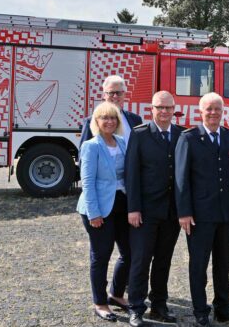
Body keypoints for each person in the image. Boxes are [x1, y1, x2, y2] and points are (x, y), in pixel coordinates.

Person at [175, 92, 229, 326]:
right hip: (199, 216)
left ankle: (222, 310)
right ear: (200, 112)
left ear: (223, 111)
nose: (214, 113)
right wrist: (184, 212)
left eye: (217, 109)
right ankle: (200, 312)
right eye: (209, 109)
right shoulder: (189, 138)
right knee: (199, 265)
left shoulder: (228, 137)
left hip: (226, 213)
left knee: (223, 264)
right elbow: (181, 179)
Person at [124, 91, 183, 326]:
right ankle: (136, 308)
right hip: (145, 211)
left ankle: (159, 306)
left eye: (169, 108)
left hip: (172, 212)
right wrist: (133, 208)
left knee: (163, 261)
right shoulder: (139, 135)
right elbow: (132, 174)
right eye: (160, 108)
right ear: (152, 109)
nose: (165, 112)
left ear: (174, 109)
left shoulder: (181, 134)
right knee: (140, 260)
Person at [77, 102, 132, 322]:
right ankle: (99, 302)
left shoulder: (121, 142)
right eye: (104, 118)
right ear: (96, 122)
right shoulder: (91, 146)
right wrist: (94, 213)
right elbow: (87, 182)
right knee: (101, 255)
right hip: (99, 207)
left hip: (122, 204)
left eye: (113, 118)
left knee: (129, 252)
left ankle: (116, 294)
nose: (109, 122)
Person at [81, 75, 143, 145]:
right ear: (104, 95)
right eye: (111, 93)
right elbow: (83, 153)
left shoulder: (136, 120)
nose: (115, 96)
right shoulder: (91, 121)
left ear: (124, 95)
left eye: (118, 93)